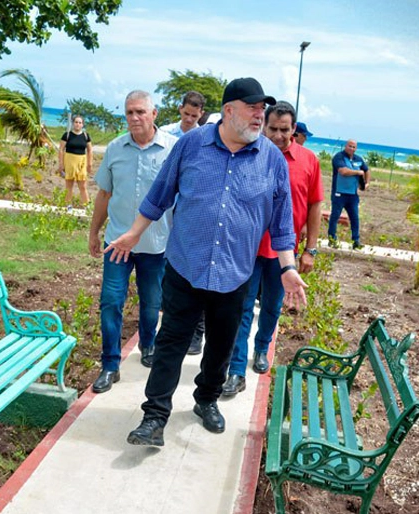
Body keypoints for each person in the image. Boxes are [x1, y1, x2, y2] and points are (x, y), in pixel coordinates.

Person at [105, 78, 308, 446]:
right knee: (171, 342)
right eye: (252, 108)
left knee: (220, 345)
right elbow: (160, 194)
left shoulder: (271, 160)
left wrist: (288, 267)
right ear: (229, 110)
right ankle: (154, 417)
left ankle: (206, 400)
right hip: (185, 265)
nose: (258, 116)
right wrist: (134, 233)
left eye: (262, 110)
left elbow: (281, 222)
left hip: (235, 273)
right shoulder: (191, 145)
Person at [222, 101, 324, 397]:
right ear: (264, 126)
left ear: (295, 130)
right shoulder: (249, 154)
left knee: (271, 307)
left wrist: (311, 249)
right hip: (247, 249)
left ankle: (262, 349)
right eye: (273, 129)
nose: (278, 136)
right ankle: (236, 370)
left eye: (285, 130)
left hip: (284, 254)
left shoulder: (308, 161)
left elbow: (316, 204)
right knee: (241, 308)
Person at [88, 90, 178, 394]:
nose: (135, 118)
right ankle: (110, 365)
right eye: (129, 113)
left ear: (154, 114)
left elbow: (182, 199)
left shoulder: (173, 149)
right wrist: (93, 232)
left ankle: (148, 345)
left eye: (141, 112)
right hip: (117, 245)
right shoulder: (115, 149)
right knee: (110, 302)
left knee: (152, 303)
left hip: (155, 246)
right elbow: (104, 194)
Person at [159, 91, 208, 356]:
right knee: (168, 271)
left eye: (194, 115)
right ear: (180, 109)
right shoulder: (165, 134)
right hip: (165, 212)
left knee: (192, 272)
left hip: (189, 216)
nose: (189, 119)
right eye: (186, 113)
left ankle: (196, 332)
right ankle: (169, 324)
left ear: (201, 113)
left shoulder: (204, 140)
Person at [328, 140, 370, 249]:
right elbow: (343, 171)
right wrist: (357, 172)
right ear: (346, 146)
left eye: (354, 147)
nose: (351, 148)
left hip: (353, 194)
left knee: (355, 218)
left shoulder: (358, 159)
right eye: (350, 146)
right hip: (339, 193)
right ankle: (332, 239)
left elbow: (366, 170)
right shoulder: (339, 157)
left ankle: (356, 241)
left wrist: (367, 183)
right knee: (335, 217)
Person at [59, 115, 93, 205]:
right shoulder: (67, 135)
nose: (78, 124)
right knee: (69, 187)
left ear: (82, 125)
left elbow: (90, 150)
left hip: (82, 163)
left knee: (83, 186)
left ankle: (88, 207)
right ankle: (68, 208)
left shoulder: (86, 136)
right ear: (73, 123)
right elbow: (61, 149)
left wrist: (89, 164)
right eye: (76, 122)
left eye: (80, 122)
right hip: (69, 162)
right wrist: (61, 164)